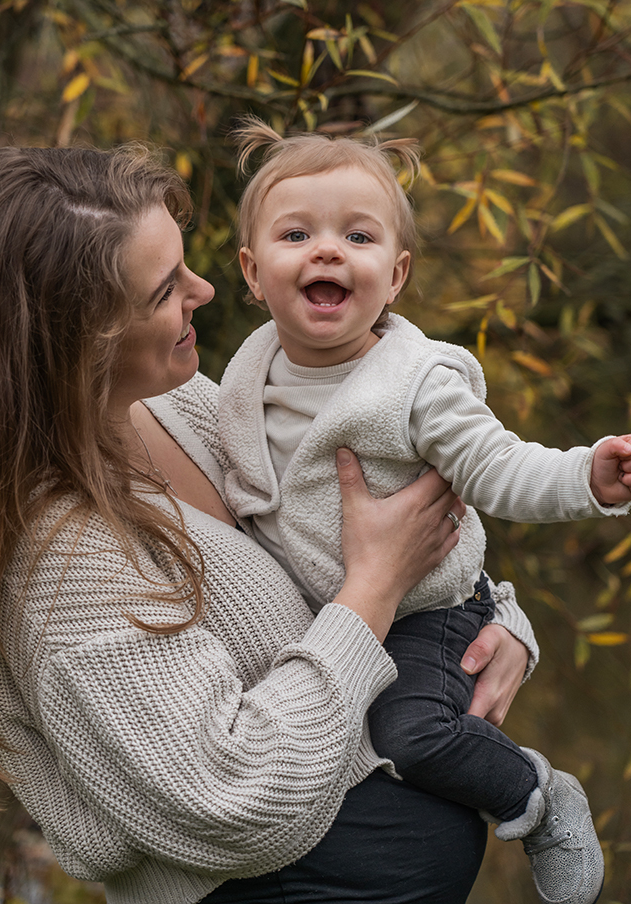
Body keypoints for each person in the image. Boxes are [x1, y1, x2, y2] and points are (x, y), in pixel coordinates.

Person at [0, 143, 535, 904]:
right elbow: (230, 798)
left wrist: (499, 626)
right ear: (78, 338)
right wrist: (375, 588)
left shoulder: (183, 404)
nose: (204, 290)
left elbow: (354, 525)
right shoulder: (59, 561)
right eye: (166, 288)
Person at [218, 119, 629, 904]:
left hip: (426, 611)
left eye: (358, 236)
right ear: (252, 271)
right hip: (330, 620)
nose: (327, 251)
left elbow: (497, 466)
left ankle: (536, 795)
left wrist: (587, 476)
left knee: (412, 736)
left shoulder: (414, 384)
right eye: (296, 234)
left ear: (396, 275)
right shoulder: (244, 380)